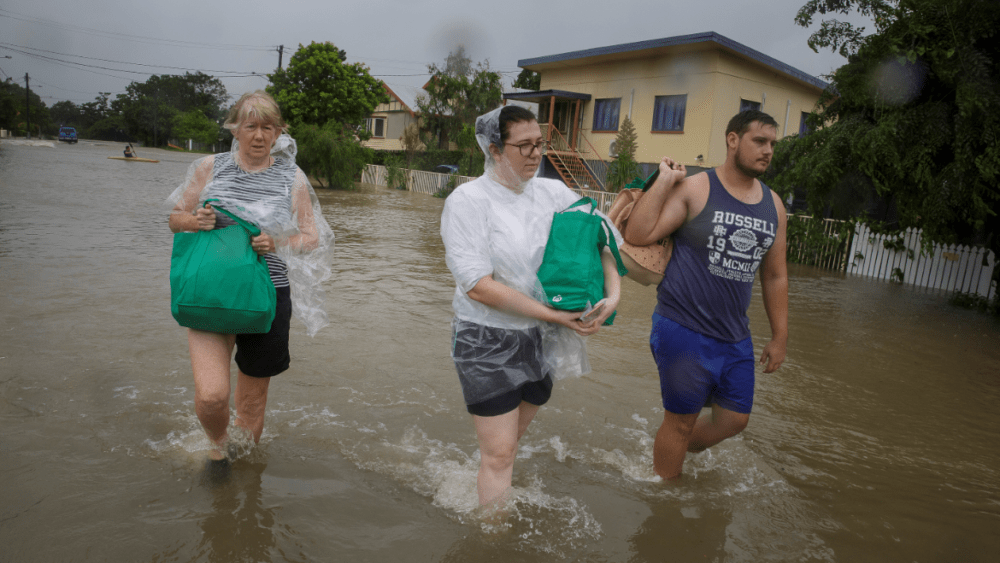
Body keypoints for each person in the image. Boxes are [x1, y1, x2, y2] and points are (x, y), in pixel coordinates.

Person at [440, 105, 623, 508]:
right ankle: (491, 538)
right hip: (485, 339)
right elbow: (478, 286)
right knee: (501, 452)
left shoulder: (553, 193)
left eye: (540, 144)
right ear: (494, 149)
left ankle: (481, 485)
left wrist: (613, 294)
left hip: (543, 337)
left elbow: (602, 238)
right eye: (523, 146)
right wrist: (554, 314)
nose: (536, 153)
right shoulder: (467, 201)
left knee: (507, 444)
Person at [167, 90, 334, 465]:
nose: (259, 135)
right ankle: (219, 445)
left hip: (266, 296)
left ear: (279, 133)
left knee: (252, 403)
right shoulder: (209, 167)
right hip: (211, 291)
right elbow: (175, 218)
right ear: (235, 129)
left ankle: (238, 469)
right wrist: (195, 221)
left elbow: (311, 237)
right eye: (251, 126)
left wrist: (276, 242)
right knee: (212, 397)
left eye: (268, 127)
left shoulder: (293, 178)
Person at [624, 109, 789, 480]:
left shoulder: (774, 205)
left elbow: (776, 275)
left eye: (772, 144)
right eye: (759, 141)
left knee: (734, 420)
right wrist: (665, 181)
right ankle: (666, 490)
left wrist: (780, 336)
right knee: (680, 421)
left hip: (735, 335)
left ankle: (671, 448)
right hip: (682, 327)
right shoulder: (698, 188)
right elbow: (637, 235)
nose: (768, 151)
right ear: (733, 140)